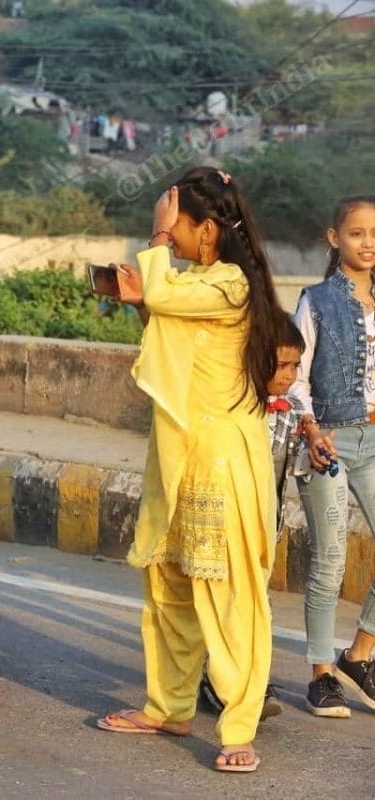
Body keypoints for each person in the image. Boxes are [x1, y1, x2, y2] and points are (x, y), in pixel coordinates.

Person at [96, 168, 282, 774]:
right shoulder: (199, 281)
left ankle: (238, 726)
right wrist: (141, 293)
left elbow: (164, 296)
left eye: (175, 227)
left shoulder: (231, 285)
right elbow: (163, 318)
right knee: (169, 585)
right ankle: (169, 706)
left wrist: (151, 244)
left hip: (222, 461)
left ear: (207, 229)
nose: (168, 238)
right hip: (178, 451)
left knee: (230, 596)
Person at [289, 194, 375, 718]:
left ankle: (360, 654)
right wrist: (312, 430)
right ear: (334, 238)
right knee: (331, 559)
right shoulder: (316, 300)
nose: (368, 243)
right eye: (358, 233)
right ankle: (322, 673)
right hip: (329, 442)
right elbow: (295, 375)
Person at [198, 313, 306, 721]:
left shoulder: (292, 410)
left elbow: (289, 465)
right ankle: (220, 681)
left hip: (265, 525)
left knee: (255, 602)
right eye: (280, 365)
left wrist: (315, 448)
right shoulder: (233, 406)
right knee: (224, 602)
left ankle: (250, 678)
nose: (288, 375)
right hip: (226, 521)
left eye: (295, 366)